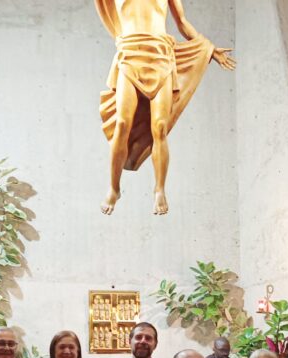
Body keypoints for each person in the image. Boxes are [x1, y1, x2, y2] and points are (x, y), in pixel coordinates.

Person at [95, 0, 236, 216]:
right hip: (130, 55)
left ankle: (159, 189)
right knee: (122, 123)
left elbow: (182, 22)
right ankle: (114, 188)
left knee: (159, 126)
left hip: (160, 56)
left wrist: (208, 48)